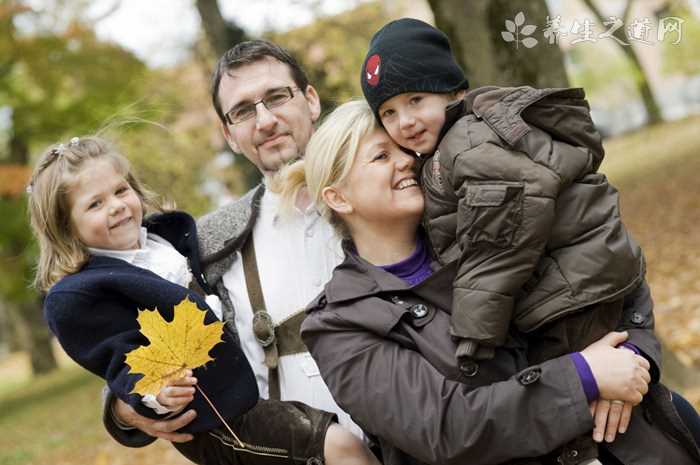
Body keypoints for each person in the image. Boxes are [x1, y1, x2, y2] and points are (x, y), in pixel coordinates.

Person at [278, 99, 700, 465]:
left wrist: (632, 356)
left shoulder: (479, 221)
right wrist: (584, 376)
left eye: (403, 150)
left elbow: (608, 265)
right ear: (338, 198)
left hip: (635, 447)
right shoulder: (339, 325)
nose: (406, 160)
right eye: (381, 157)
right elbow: (445, 428)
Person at [360, 18, 646, 462]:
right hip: (578, 278)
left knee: (581, 405)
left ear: (453, 91)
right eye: (389, 112)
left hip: (571, 292)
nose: (406, 121)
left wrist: (473, 335)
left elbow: (499, 242)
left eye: (416, 99)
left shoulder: (468, 140)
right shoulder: (451, 147)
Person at [100, 40, 379, 465]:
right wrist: (123, 407)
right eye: (244, 111)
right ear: (229, 135)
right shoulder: (207, 243)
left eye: (276, 97)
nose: (265, 121)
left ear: (310, 100)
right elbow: (133, 333)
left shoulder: (393, 189)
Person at [28, 136, 376, 465]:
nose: (117, 206)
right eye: (95, 204)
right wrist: (150, 397)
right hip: (214, 418)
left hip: (246, 394)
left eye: (121, 190)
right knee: (340, 446)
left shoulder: (167, 243)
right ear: (66, 227)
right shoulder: (84, 292)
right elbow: (119, 358)